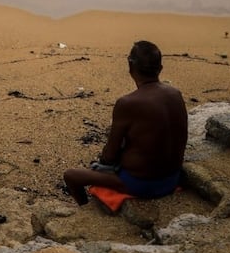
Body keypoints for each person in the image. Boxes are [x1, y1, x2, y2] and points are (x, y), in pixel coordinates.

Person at [63, 40, 188, 205]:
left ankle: (85, 210)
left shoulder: (127, 103)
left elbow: (109, 154)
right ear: (160, 68)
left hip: (143, 185)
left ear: (130, 65)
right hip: (173, 178)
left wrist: (105, 164)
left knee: (71, 175)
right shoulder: (175, 94)